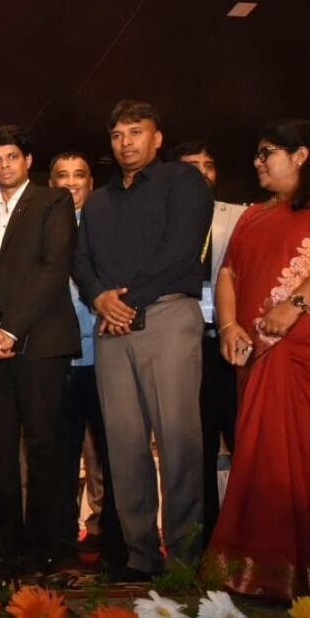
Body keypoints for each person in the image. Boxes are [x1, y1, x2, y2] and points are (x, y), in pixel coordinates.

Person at [73, 101, 213, 581]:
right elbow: (81, 260)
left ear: (157, 138)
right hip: (111, 327)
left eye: (136, 131)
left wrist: (123, 302)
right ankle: (140, 556)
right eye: (117, 134)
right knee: (124, 445)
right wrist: (99, 298)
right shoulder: (98, 201)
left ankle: (185, 558)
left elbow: (181, 250)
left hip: (167, 316)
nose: (126, 142)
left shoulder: (183, 181)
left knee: (178, 443)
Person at [0, 126, 79, 573]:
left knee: (45, 445)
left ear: (28, 160)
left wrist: (10, 329)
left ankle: (44, 546)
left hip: (40, 341)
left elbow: (53, 270)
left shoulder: (54, 202)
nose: (4, 165)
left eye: (11, 156)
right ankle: (5, 545)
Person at [208, 119, 310, 600]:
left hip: (295, 349)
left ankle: (290, 570)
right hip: (252, 351)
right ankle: (259, 571)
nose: (257, 162)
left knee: (291, 455)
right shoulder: (252, 216)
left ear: (301, 155)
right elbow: (228, 272)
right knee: (259, 454)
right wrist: (228, 325)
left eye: (267, 152)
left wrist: (296, 304)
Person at [167, 140, 247, 547]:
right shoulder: (163, 218)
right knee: (194, 447)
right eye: (192, 166)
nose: (202, 172)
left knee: (243, 439)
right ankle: (202, 541)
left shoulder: (241, 216)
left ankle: (248, 538)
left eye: (209, 165)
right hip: (181, 344)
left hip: (230, 346)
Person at [48, 152, 125, 566]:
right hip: (59, 359)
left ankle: (114, 540)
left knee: (114, 455)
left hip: (105, 354)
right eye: (63, 176)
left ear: (91, 184)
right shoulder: (42, 228)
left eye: (79, 175)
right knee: (60, 459)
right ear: (52, 184)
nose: (71, 182)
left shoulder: (107, 227)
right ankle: (60, 545)